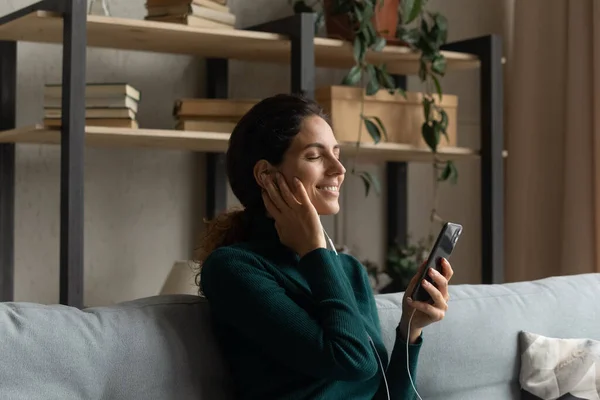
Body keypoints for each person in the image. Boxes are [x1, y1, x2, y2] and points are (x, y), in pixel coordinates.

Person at [195, 93, 454, 400]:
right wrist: (314, 250)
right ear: (266, 175)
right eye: (315, 156)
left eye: (337, 153)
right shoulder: (234, 269)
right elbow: (352, 361)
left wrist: (410, 328)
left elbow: (384, 394)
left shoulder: (347, 270)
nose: (339, 169)